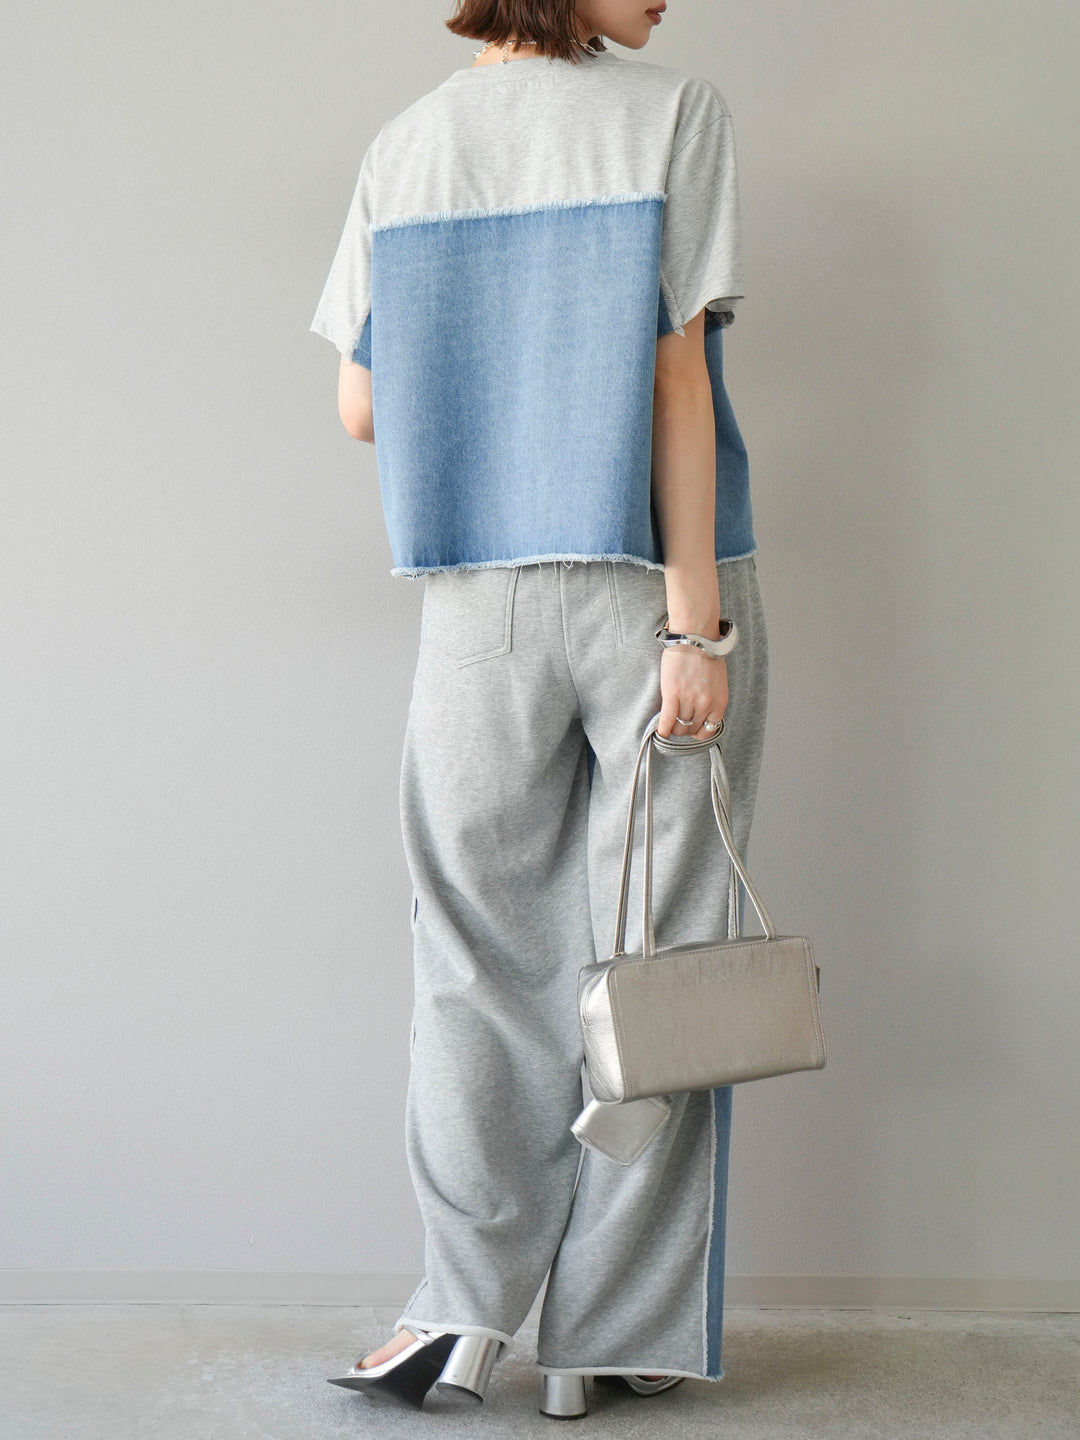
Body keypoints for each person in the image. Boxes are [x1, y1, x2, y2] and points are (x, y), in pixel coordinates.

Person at [309, 0, 769, 1420]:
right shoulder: (673, 111)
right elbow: (674, 371)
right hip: (654, 585)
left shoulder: (406, 144)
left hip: (477, 598)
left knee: (472, 956)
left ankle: (459, 1310)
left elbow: (362, 408)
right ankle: (608, 1335)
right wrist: (693, 625)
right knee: (659, 960)